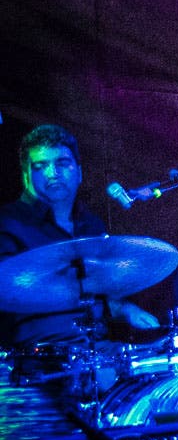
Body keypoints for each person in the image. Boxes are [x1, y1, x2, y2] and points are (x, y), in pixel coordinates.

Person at [0, 123, 160, 352]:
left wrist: (125, 310)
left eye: (62, 163)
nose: (52, 173)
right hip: (37, 358)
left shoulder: (91, 226)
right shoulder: (7, 224)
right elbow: (6, 291)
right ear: (26, 176)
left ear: (79, 172)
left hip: (97, 349)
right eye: (40, 166)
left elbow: (98, 290)